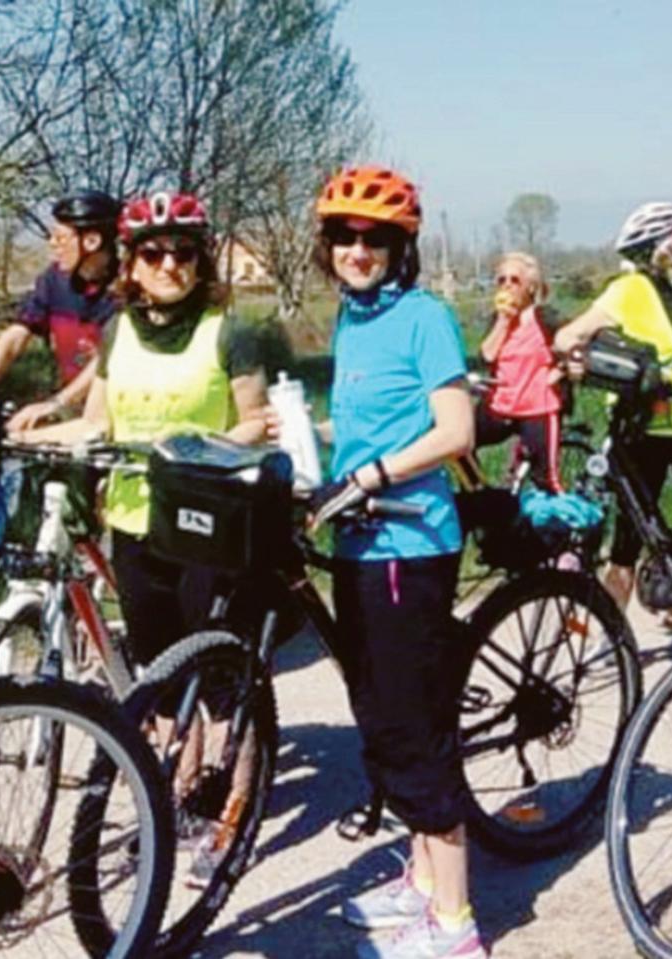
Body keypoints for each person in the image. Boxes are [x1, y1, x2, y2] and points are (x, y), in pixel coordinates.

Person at [295, 166, 484, 959]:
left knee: (411, 724)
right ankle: (420, 880)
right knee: (377, 712)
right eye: (344, 236)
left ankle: (457, 923)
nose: (358, 249)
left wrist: (372, 475)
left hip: (409, 540)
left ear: (401, 246)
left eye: (375, 238)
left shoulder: (424, 317)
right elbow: (368, 426)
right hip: (359, 539)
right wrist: (299, 440)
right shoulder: (351, 320)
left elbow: (455, 431)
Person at [17, 191, 269, 667]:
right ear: (131, 266)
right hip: (134, 521)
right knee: (155, 666)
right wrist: (26, 437)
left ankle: (231, 740)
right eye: (153, 253)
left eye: (184, 252)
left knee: (211, 669)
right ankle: (169, 742)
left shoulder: (228, 332)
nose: (168, 265)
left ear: (201, 264)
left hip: (204, 522)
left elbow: (256, 422)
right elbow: (98, 423)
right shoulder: (118, 333)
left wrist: (197, 451)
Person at [554, 202, 672, 627]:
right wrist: (589, 364)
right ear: (661, 249)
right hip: (644, 433)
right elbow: (569, 337)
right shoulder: (629, 291)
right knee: (626, 545)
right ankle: (598, 638)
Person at [0, 190, 122, 433]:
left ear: (91, 242)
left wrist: (56, 404)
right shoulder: (54, 280)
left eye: (60, 238)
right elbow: (15, 338)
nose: (52, 245)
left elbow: (106, 362)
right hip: (68, 404)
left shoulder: (124, 290)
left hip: (110, 413)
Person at [476, 251, 563, 490]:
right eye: (501, 280)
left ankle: (561, 520)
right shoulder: (498, 319)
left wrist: (560, 370)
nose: (507, 286)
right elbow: (487, 355)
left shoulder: (545, 319)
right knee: (458, 442)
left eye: (515, 280)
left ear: (531, 287)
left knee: (546, 479)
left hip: (538, 408)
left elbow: (574, 343)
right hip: (500, 406)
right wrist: (503, 321)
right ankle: (485, 499)